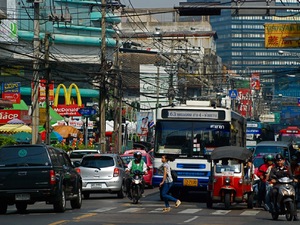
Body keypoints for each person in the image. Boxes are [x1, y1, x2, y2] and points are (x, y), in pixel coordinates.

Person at [268, 153, 298, 221]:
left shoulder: (287, 168)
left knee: (294, 196)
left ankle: (295, 214)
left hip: (287, 184)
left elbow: (291, 176)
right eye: (278, 161)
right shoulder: (274, 169)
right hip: (278, 185)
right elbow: (271, 177)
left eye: (280, 160)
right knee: (274, 192)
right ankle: (275, 207)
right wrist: (273, 180)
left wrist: (294, 179)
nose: (279, 162)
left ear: (283, 161)